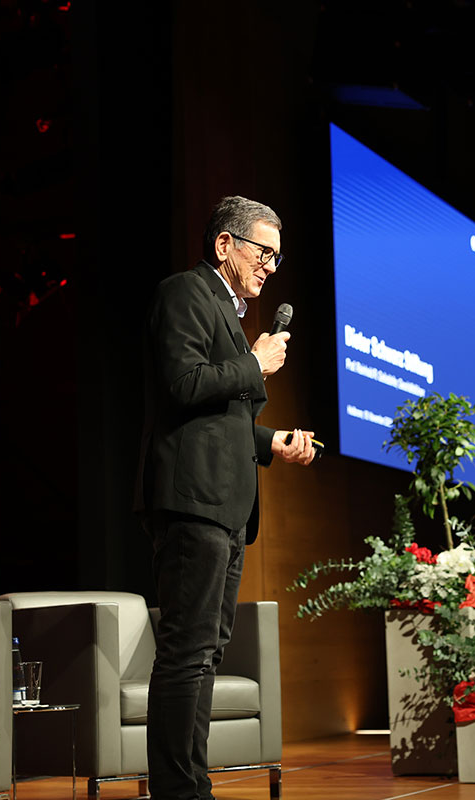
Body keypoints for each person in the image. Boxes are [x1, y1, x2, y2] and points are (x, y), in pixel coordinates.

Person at [134, 195, 316, 800]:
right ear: (224, 245)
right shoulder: (185, 293)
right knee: (186, 652)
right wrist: (255, 362)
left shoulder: (227, 312)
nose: (270, 266)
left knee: (207, 653)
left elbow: (222, 422)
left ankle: (194, 785)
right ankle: (177, 791)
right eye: (263, 252)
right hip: (192, 503)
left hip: (226, 506)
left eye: (276, 257)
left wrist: (275, 441)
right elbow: (182, 386)